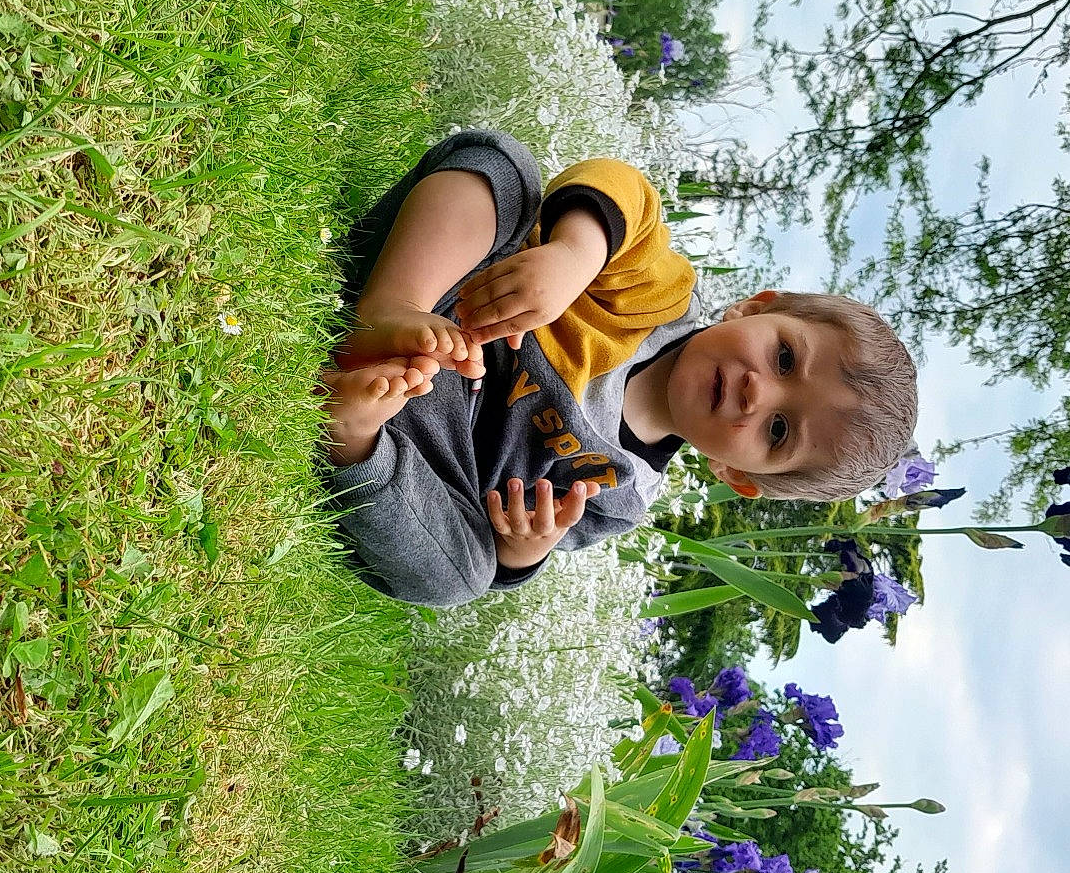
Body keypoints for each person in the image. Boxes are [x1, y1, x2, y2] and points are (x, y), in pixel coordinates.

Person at [322, 129, 918, 607]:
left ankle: (352, 438)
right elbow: (621, 187)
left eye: (778, 430)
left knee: (465, 574)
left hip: (418, 442)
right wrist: (571, 258)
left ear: (735, 474)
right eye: (785, 356)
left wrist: (522, 550)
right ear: (757, 306)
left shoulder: (620, 489)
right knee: (502, 169)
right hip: (443, 295)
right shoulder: (659, 298)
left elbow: (518, 544)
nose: (755, 391)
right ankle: (383, 311)